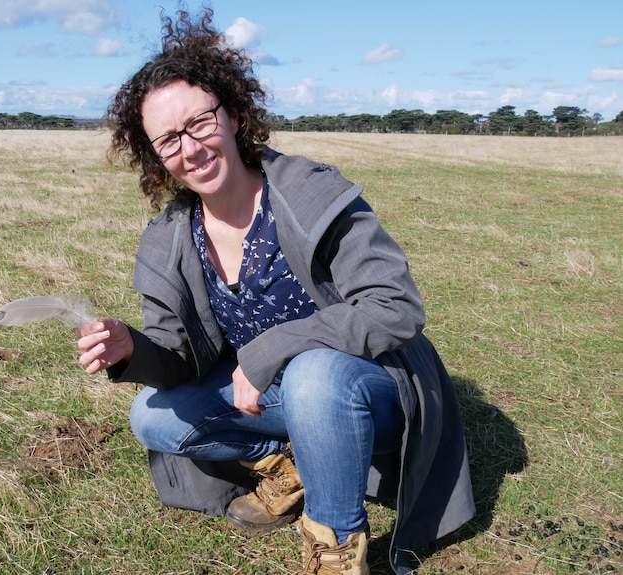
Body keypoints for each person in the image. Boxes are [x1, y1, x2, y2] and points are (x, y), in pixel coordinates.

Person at [76, 8, 475, 575]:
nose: (189, 149)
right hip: (272, 400)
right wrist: (130, 348)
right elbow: (180, 359)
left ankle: (336, 549)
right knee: (152, 416)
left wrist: (270, 349)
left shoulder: (309, 194)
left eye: (200, 123)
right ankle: (289, 464)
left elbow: (396, 309)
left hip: (368, 386)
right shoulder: (171, 237)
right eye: (167, 140)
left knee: (315, 374)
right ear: (155, 156)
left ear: (234, 115)